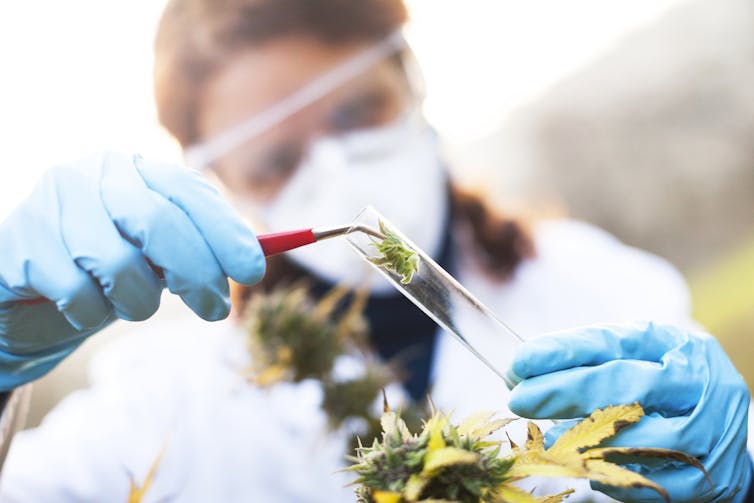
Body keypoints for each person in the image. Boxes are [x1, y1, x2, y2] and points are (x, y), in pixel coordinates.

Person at [0, 0, 749, 500]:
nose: (334, 167)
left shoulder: (598, 284)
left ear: (412, 81)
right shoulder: (165, 398)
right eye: (273, 161)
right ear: (219, 180)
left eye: (359, 113)